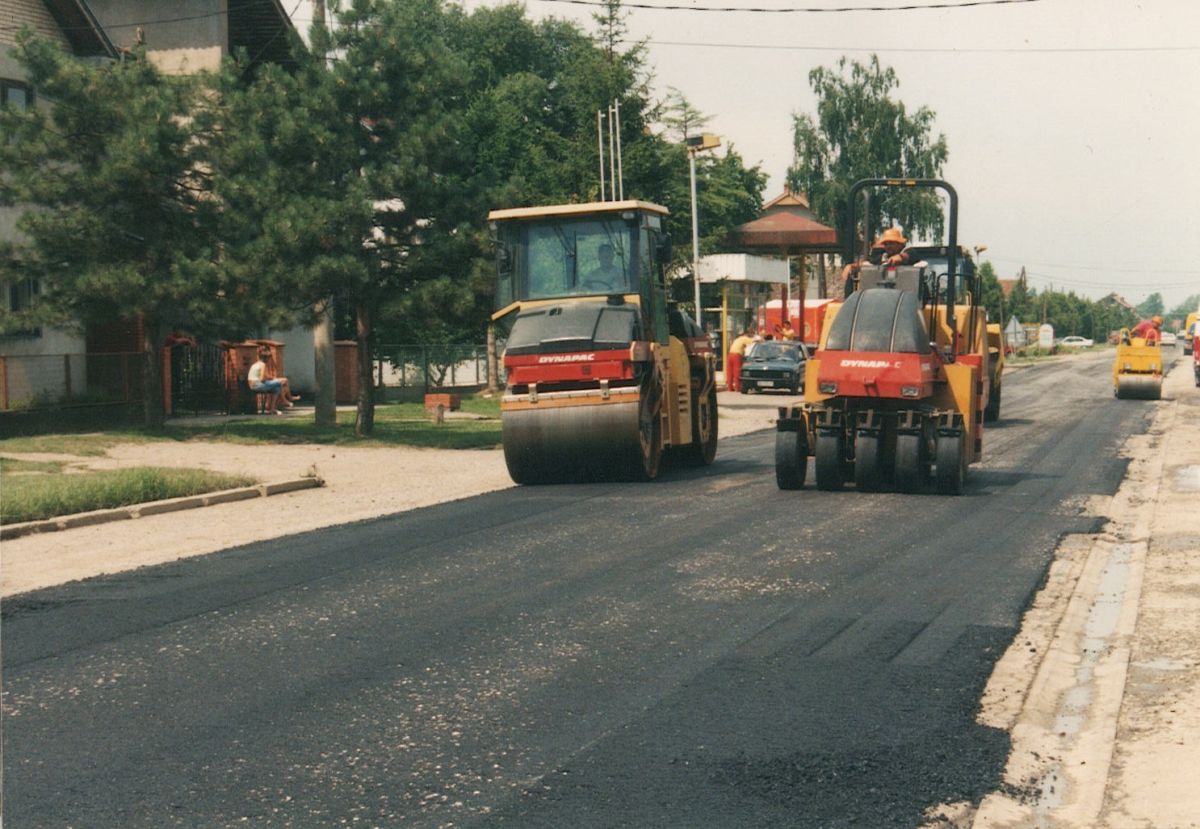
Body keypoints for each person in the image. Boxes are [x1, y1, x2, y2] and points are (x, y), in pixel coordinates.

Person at [838, 227, 912, 296]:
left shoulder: (910, 254)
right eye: (886, 244)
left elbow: (910, 255)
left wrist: (900, 257)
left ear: (900, 244)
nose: (888, 246)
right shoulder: (884, 257)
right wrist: (851, 266)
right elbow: (868, 263)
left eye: (891, 243)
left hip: (906, 297)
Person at [247, 346, 298, 414]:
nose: (269, 360)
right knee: (280, 383)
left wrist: (274, 379)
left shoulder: (256, 364)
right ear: (266, 358)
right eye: (269, 358)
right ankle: (286, 399)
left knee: (277, 388)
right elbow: (262, 379)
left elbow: (266, 376)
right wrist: (275, 381)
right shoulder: (263, 365)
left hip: (252, 385)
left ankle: (273, 409)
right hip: (257, 385)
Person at [726, 327, 756, 392]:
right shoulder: (745, 338)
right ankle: (737, 387)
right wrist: (760, 340)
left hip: (730, 354)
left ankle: (729, 387)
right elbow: (754, 342)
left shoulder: (737, 339)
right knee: (737, 372)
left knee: (730, 372)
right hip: (737, 355)